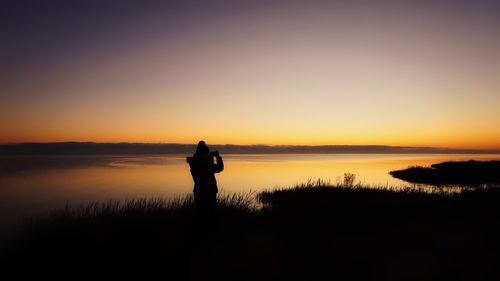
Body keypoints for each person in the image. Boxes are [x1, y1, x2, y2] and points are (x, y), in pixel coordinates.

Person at [186, 140, 224, 216]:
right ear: (206, 152)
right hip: (210, 190)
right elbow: (219, 168)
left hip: (198, 190)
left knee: (200, 212)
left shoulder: (194, 162)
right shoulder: (207, 163)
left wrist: (209, 158)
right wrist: (217, 157)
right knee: (210, 213)